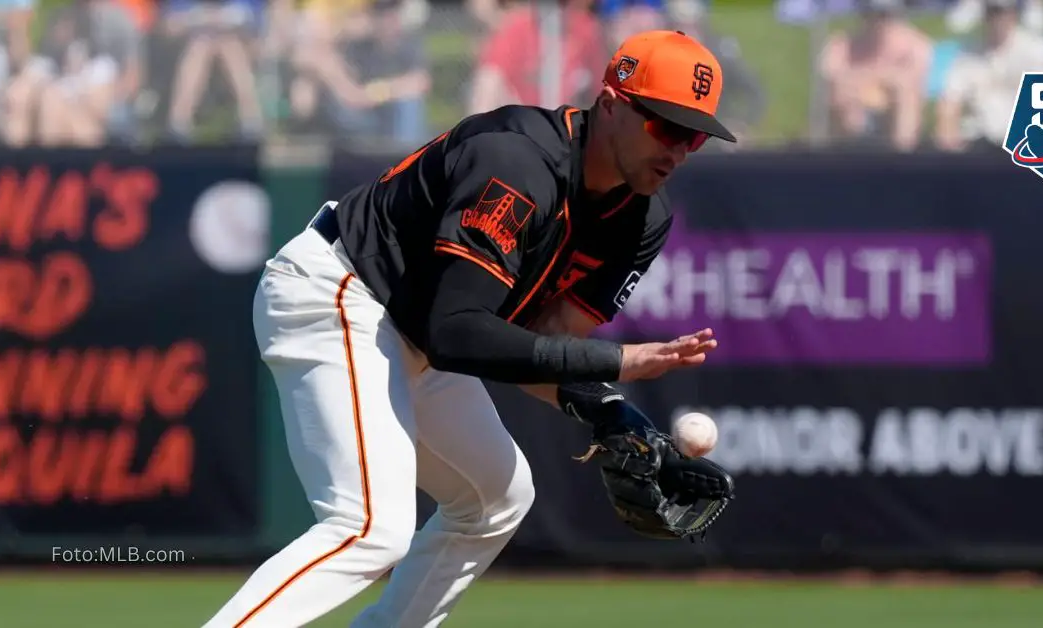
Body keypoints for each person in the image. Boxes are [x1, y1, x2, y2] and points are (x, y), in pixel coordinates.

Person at [203, 29, 736, 628]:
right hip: (340, 293)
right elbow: (459, 333)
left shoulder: (642, 217)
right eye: (665, 125)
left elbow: (536, 345)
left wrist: (611, 412)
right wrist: (618, 365)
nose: (678, 149)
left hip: (416, 331)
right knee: (371, 528)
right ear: (611, 103)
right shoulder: (516, 162)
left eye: (693, 136)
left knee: (496, 498)